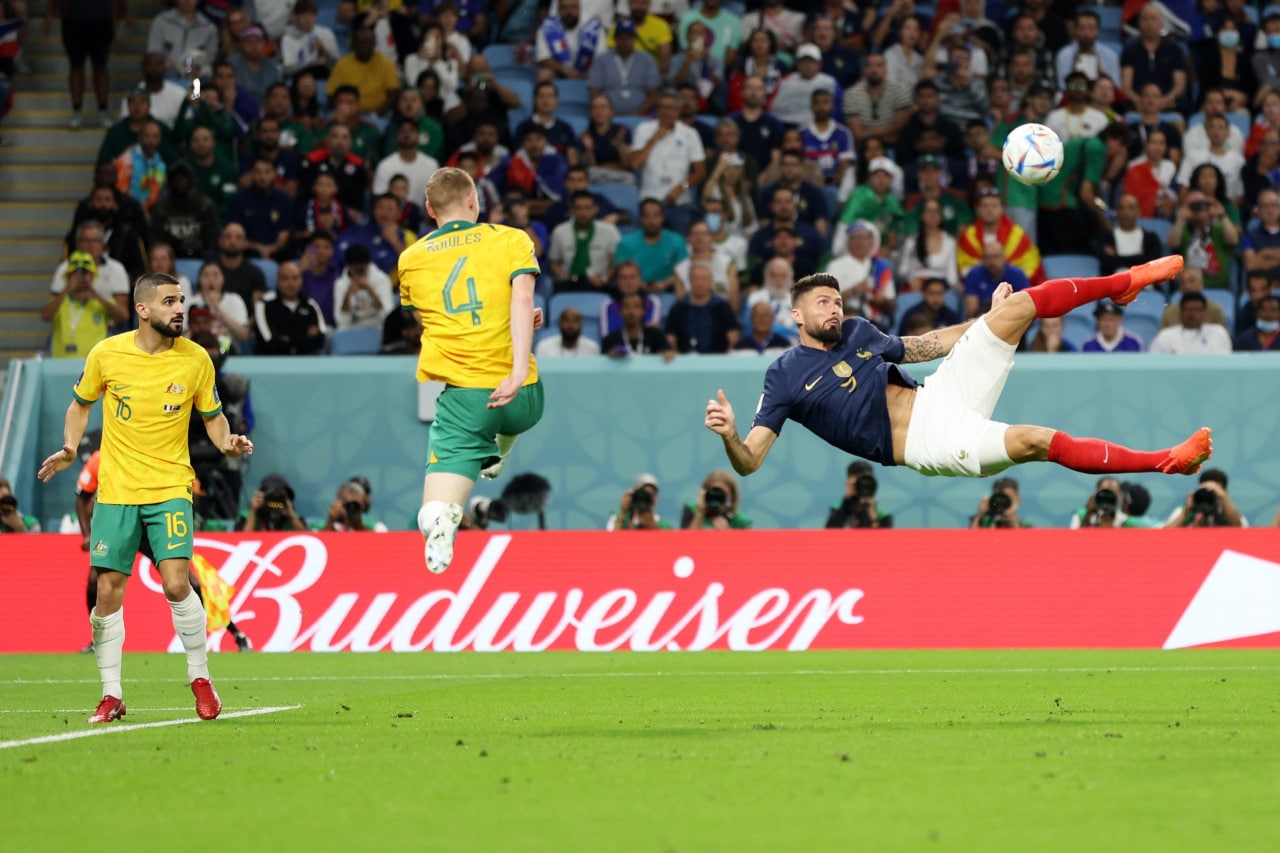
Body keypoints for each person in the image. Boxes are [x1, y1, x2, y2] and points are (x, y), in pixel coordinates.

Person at [703, 259, 1215, 490]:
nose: (834, 308)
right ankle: (1166, 462)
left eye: (837, 300)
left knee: (1019, 305)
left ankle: (1123, 283)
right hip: (931, 444)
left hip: (940, 393)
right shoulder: (784, 376)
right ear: (797, 315)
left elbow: (924, 346)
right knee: (1037, 440)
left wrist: (988, 320)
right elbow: (750, 463)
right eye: (822, 303)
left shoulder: (858, 330)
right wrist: (730, 436)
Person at [38, 272, 254, 723]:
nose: (180, 309)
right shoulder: (107, 354)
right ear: (142, 309)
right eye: (169, 301)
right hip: (116, 490)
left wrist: (227, 441)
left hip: (170, 486)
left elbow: (212, 416)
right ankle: (112, 694)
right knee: (106, 591)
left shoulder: (195, 359)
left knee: (176, 583)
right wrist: (71, 447)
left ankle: (200, 678)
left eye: (181, 300)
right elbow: (80, 404)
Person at [397, 167, 547, 574]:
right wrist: (517, 371)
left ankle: (446, 519)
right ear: (473, 201)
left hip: (465, 403)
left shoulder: (410, 259)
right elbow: (522, 300)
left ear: (430, 209)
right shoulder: (512, 239)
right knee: (512, 419)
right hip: (524, 395)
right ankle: (500, 451)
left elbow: (425, 317)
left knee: (431, 512)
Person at [41, 252, 129, 358]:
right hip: (62, 362)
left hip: (92, 363)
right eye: (76, 273)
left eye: (86, 273)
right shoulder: (60, 302)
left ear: (93, 276)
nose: (81, 278)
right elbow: (45, 316)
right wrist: (67, 289)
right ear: (68, 276)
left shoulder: (101, 301)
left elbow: (124, 315)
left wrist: (95, 294)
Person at [1149, 292, 1234, 354]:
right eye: (1189, 310)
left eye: (1197, 310)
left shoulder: (1218, 333)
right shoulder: (1165, 336)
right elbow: (1154, 363)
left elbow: (1224, 364)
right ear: (1181, 313)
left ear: (1204, 313)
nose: (1192, 314)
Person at [824, 460, 893, 529]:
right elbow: (830, 532)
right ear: (848, 482)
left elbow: (884, 536)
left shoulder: (882, 515)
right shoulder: (837, 508)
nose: (863, 484)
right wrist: (846, 500)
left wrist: (872, 515)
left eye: (867, 481)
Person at [680, 470, 751, 529]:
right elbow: (685, 540)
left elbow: (744, 542)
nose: (717, 498)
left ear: (732, 497)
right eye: (713, 493)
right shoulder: (691, 510)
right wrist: (700, 512)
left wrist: (728, 532)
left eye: (722, 494)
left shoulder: (741, 521)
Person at [607, 473, 672, 530]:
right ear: (633, 496)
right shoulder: (617, 516)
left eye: (652, 495)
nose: (647, 498)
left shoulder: (664, 526)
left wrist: (651, 524)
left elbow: (662, 540)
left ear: (657, 497)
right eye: (643, 494)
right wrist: (622, 514)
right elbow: (611, 539)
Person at [536, 307, 601, 357]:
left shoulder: (592, 348)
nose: (571, 326)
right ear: (559, 324)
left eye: (575, 321)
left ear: (582, 325)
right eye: (566, 320)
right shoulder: (544, 347)